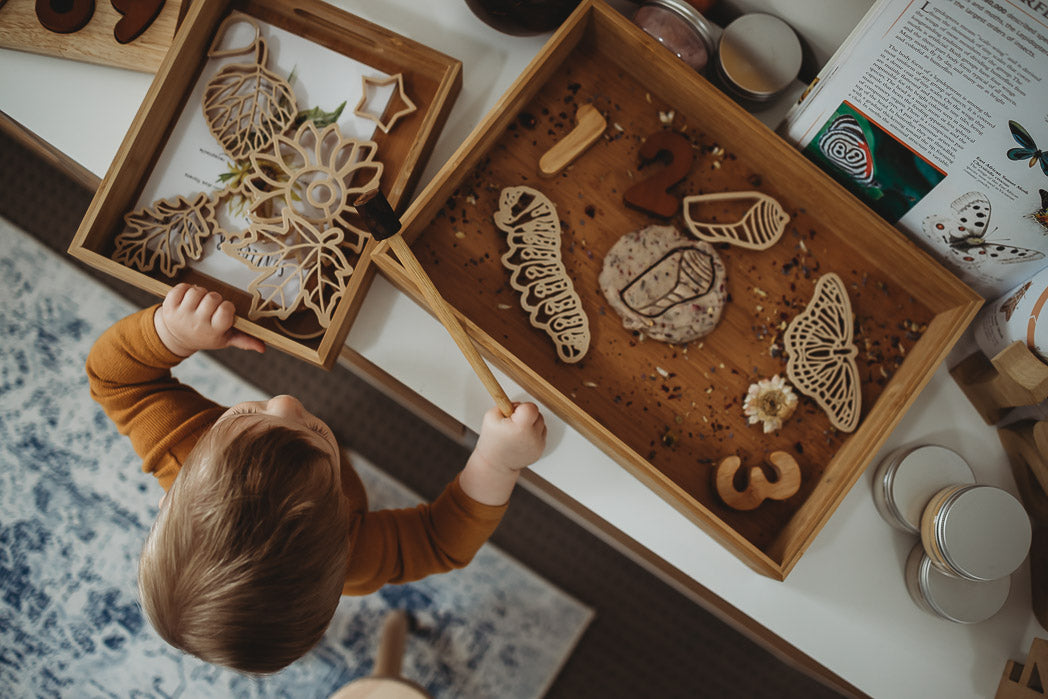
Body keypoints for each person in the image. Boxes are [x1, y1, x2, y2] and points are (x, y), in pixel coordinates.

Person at [86, 283, 546, 674]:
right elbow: (439, 540)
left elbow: (115, 380)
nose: (285, 400)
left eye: (246, 415)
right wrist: (500, 459)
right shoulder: (354, 558)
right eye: (310, 433)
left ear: (173, 499)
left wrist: (170, 333)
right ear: (341, 538)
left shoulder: (178, 449)